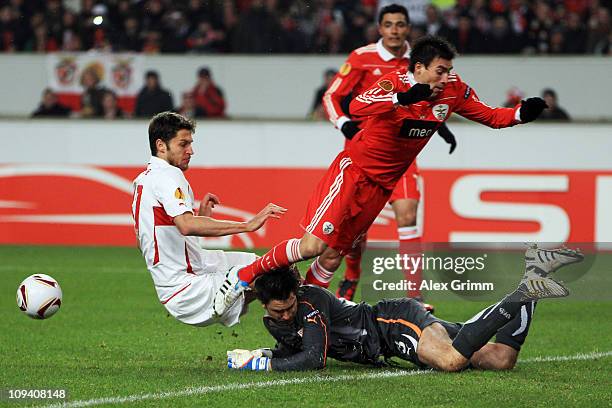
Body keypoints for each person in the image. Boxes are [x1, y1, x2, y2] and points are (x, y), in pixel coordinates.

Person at [214, 35, 549, 317]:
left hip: (380, 187)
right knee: (313, 246)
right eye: (440, 70)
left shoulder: (454, 91)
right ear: (419, 69)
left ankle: (303, 313)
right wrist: (403, 98)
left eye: (449, 70)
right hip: (353, 174)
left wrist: (521, 113)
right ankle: (243, 275)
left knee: (333, 256)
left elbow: (491, 116)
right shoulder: (394, 84)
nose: (447, 77)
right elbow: (357, 106)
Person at [227, 245, 583, 371]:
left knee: (451, 361)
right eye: (278, 313)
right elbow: (293, 348)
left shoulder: (311, 301)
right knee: (501, 358)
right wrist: (257, 352)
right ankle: (536, 270)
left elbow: (313, 358)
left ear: (296, 295)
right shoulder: (277, 320)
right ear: (263, 305)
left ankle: (524, 292)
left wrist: (264, 366)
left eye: (289, 307)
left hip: (392, 323)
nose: (286, 316)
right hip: (393, 335)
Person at [322, 4, 457, 305]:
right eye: (389, 25)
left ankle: (415, 297)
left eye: (400, 24)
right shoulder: (362, 57)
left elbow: (434, 94)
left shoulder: (421, 59)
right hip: (365, 150)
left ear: (408, 28)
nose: (395, 30)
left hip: (403, 154)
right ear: (379, 28)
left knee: (408, 216)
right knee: (355, 228)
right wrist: (344, 124)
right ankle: (353, 273)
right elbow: (332, 95)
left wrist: (441, 125)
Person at [131, 112, 286, 327]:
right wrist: (247, 225)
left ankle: (295, 333)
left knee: (268, 269)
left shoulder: (142, 182)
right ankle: (302, 338)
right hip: (189, 287)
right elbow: (185, 226)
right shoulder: (168, 176)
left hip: (187, 276)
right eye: (183, 144)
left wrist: (200, 218)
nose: (190, 151)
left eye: (191, 143)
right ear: (161, 145)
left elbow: (144, 243)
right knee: (277, 279)